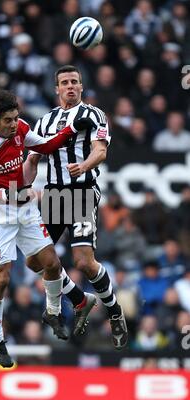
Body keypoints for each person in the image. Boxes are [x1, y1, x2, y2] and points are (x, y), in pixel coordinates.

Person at [0, 88, 94, 367]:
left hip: (24, 205)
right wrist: (6, 195)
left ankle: (52, 312)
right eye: (9, 120)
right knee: (1, 279)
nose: (15, 124)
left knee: (50, 261)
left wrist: (72, 127)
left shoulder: (22, 129)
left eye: (16, 118)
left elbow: (47, 146)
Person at [24, 65, 128, 349]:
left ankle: (114, 311)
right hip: (55, 196)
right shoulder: (44, 122)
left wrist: (83, 166)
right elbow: (32, 162)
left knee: (83, 261)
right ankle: (75, 301)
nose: (70, 86)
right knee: (36, 261)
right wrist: (18, 190)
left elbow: (100, 150)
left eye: (74, 82)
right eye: (64, 82)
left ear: (81, 87)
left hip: (82, 191)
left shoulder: (93, 114)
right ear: (56, 88)